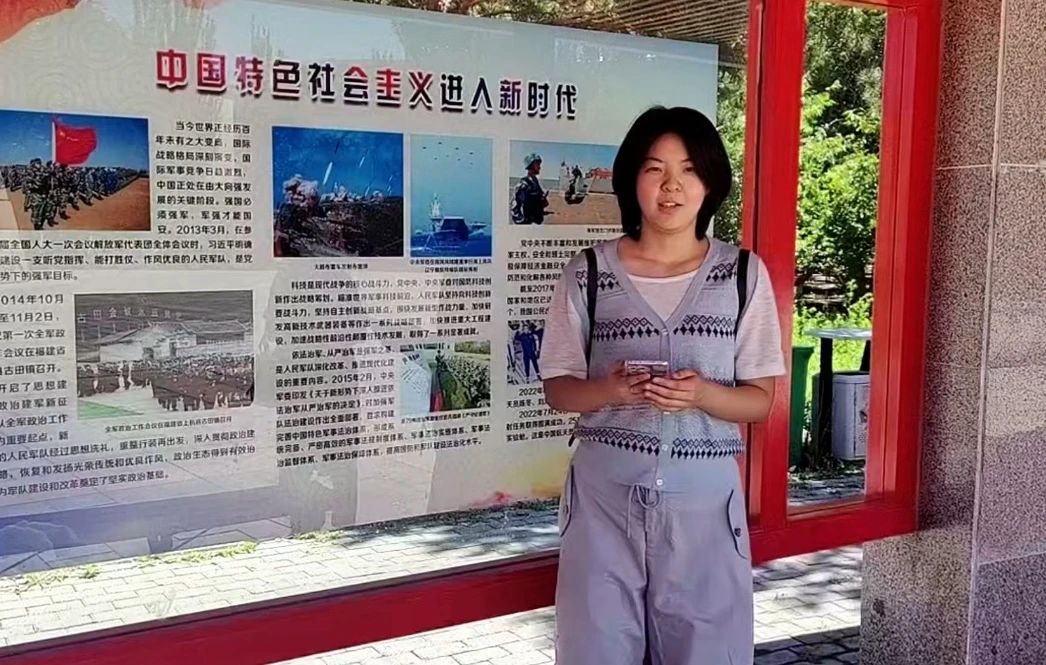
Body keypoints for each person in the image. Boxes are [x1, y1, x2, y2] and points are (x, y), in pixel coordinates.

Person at [541, 106, 786, 665]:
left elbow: (760, 400)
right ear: (632, 179)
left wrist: (701, 395)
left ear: (710, 183)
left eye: (689, 170)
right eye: (655, 169)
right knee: (594, 651)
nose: (671, 186)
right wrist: (610, 391)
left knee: (708, 652)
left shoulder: (742, 275)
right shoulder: (589, 272)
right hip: (603, 498)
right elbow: (557, 388)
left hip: (705, 504)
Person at [511, 152, 549, 224]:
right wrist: (523, 223)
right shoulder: (524, 185)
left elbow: (541, 203)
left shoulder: (535, 182)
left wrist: (543, 199)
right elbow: (515, 209)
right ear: (530, 166)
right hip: (529, 224)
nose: (539, 167)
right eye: (537, 165)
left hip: (537, 223)